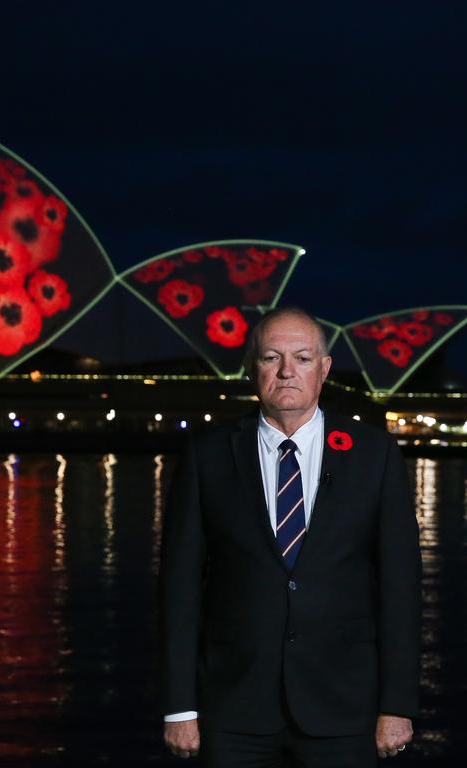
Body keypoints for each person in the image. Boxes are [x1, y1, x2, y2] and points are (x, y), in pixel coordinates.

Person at [159, 307, 422, 766]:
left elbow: (401, 590)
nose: (286, 371)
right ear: (252, 368)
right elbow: (178, 590)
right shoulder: (208, 455)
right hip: (232, 709)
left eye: (302, 358)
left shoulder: (373, 455)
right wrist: (180, 707)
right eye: (271, 357)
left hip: (344, 709)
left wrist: (396, 705)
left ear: (324, 369)